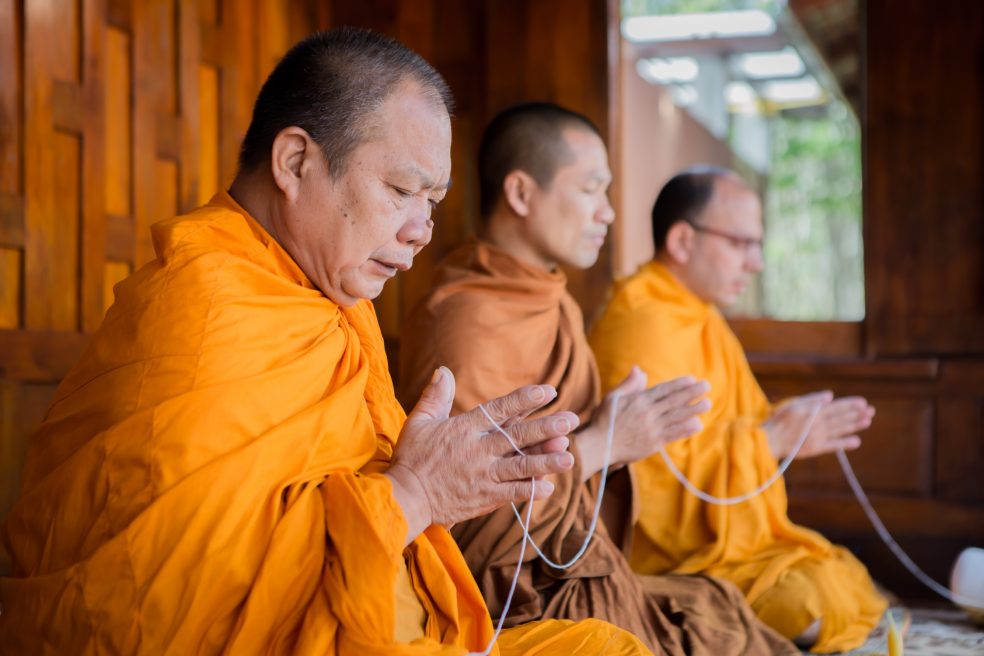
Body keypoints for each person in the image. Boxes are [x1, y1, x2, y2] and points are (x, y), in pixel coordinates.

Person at [0, 29, 653, 655]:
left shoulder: (330, 296)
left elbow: (354, 519)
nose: (420, 230)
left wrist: (446, 492)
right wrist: (419, 494)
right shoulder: (203, 313)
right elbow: (169, 605)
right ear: (294, 162)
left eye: (431, 201)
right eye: (401, 190)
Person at [399, 104, 798, 655]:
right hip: (517, 598)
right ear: (520, 194)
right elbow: (470, 518)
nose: (608, 214)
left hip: (578, 566)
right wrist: (606, 442)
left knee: (719, 609)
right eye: (591, 190)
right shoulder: (465, 320)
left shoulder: (554, 304)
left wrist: (619, 431)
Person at [589, 165, 888, 653]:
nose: (755, 263)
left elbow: (736, 421)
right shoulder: (644, 324)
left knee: (841, 576)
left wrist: (786, 430)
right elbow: (658, 486)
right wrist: (770, 441)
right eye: (740, 243)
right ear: (683, 241)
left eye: (757, 245)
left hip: (731, 544)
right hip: (671, 558)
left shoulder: (699, 315)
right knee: (812, 606)